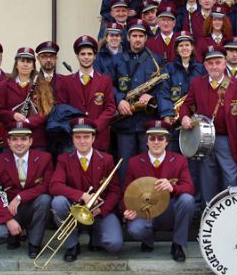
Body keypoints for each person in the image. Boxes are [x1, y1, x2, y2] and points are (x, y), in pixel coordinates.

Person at [179, 45, 237, 203]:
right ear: (205, 65)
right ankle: (209, 210)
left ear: (225, 63)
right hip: (203, 139)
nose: (214, 66)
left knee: (230, 177)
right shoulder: (197, 83)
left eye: (218, 62)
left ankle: (231, 211)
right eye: (210, 63)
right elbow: (186, 105)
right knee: (207, 178)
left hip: (227, 139)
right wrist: (184, 117)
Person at [49, 118, 123, 261]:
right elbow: (54, 186)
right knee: (58, 202)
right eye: (78, 137)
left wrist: (102, 209)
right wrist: (82, 195)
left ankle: (95, 235)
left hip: (98, 210)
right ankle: (72, 245)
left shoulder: (106, 159)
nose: (82, 141)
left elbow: (115, 191)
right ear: (72, 138)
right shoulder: (64, 159)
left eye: (86, 137)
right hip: (73, 209)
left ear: (93, 138)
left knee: (114, 244)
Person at [123, 121, 195, 262]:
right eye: (152, 138)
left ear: (167, 142)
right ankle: (148, 239)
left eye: (160, 138)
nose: (156, 142)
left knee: (187, 200)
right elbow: (126, 190)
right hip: (146, 211)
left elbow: (189, 188)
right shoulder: (134, 162)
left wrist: (173, 188)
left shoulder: (179, 160)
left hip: (169, 211)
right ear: (147, 142)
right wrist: (126, 210)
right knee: (135, 229)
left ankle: (178, 244)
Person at [0, 126, 53, 258]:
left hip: (31, 206)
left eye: (23, 139)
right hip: (8, 209)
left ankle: (34, 243)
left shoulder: (45, 158)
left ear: (30, 141)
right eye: (14, 139)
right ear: (8, 142)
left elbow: (47, 185)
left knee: (45, 199)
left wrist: (21, 196)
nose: (19, 143)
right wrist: (8, 220)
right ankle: (13, 235)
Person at [112, 23, 165, 182]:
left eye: (141, 36)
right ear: (128, 38)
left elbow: (163, 87)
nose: (137, 39)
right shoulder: (117, 60)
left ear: (146, 38)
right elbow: (108, 84)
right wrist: (119, 100)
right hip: (124, 122)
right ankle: (125, 197)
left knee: (147, 166)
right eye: (134, 36)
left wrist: (151, 96)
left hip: (146, 122)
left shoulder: (156, 60)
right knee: (124, 166)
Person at [56, 35, 116, 153]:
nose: (86, 57)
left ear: (95, 56)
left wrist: (95, 126)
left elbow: (110, 108)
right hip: (75, 139)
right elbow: (61, 110)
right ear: (77, 56)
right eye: (83, 54)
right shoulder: (66, 81)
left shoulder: (105, 80)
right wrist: (76, 128)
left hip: (98, 138)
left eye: (89, 54)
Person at [0, 47, 54, 150]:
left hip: (36, 139)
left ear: (33, 66)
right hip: (12, 137)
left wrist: (27, 121)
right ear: (16, 64)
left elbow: (45, 111)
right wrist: (13, 115)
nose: (25, 65)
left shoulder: (42, 85)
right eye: (22, 61)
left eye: (29, 62)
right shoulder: (4, 85)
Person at [157, 31, 206, 153]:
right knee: (173, 153)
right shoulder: (168, 68)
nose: (184, 48)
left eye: (187, 45)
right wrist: (167, 114)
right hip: (174, 120)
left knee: (193, 152)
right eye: (181, 45)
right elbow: (163, 92)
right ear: (176, 49)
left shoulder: (201, 68)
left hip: (195, 120)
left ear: (192, 47)